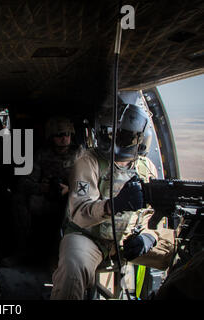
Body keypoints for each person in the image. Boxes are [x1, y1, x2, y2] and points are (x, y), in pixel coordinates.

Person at [50, 104, 172, 300]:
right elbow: (80, 213)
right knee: (73, 268)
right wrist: (113, 205)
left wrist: (149, 237)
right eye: (112, 135)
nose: (117, 142)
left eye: (126, 137)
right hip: (89, 237)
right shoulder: (88, 161)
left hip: (130, 239)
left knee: (183, 254)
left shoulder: (145, 167)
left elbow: (153, 216)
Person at [11, 116, 83, 265]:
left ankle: (64, 257)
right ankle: (23, 251)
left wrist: (70, 190)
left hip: (72, 199)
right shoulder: (42, 154)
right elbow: (25, 182)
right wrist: (42, 188)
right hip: (47, 197)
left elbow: (89, 185)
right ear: (51, 137)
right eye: (59, 135)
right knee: (19, 200)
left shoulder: (80, 155)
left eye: (67, 135)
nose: (64, 139)